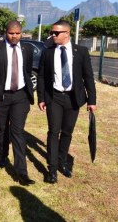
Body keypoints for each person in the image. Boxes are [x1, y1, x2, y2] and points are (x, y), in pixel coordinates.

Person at [37, 20, 96, 184]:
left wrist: (92, 100)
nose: (52, 35)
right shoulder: (48, 52)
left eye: (56, 33)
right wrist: (41, 98)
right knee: (53, 132)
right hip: (54, 97)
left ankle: (62, 162)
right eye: (52, 32)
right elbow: (41, 76)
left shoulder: (81, 51)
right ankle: (52, 169)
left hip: (73, 98)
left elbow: (88, 77)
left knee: (67, 132)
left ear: (67, 34)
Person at [0, 20, 35, 186]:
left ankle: (21, 173)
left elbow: (27, 72)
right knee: (1, 128)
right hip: (1, 97)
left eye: (17, 33)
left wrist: (30, 92)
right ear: (6, 32)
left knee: (17, 132)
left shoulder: (27, 49)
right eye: (11, 33)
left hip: (20, 96)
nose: (14, 36)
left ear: (21, 33)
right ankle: (2, 155)